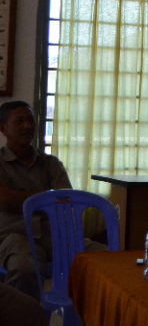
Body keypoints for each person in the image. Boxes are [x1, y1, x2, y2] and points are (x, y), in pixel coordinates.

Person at [0, 100, 72, 300]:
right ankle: (25, 315)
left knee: (102, 257)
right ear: (3, 128)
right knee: (24, 268)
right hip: (14, 236)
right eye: (19, 121)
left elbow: (66, 201)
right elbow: (5, 201)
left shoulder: (51, 163)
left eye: (31, 120)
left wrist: (21, 197)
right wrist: (47, 195)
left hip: (54, 234)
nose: (28, 126)